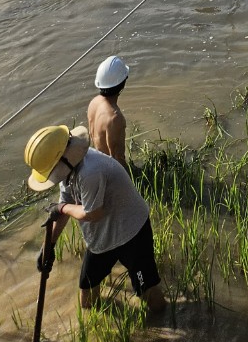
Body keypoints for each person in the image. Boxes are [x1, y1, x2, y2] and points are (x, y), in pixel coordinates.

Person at [24, 123, 166, 312]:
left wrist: (63, 208)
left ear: (61, 161)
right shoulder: (68, 168)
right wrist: (48, 245)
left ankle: (167, 325)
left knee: (147, 290)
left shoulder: (90, 171)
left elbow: (92, 213)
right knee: (87, 293)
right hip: (101, 237)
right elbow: (64, 203)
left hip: (132, 232)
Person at [87, 55, 129, 170]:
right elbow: (117, 158)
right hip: (108, 171)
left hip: (96, 163)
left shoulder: (94, 103)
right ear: (123, 82)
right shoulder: (115, 118)